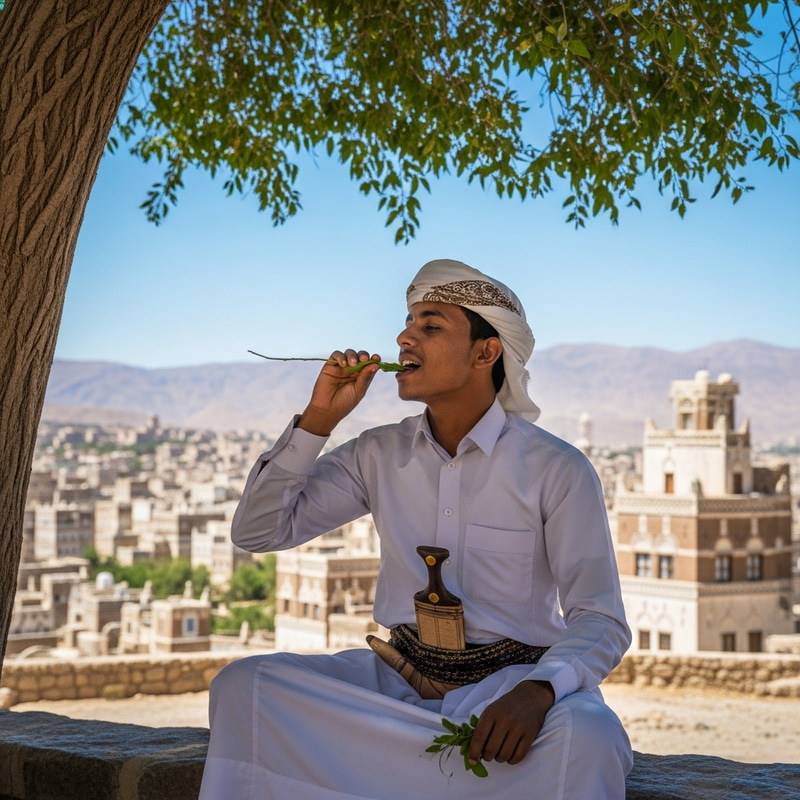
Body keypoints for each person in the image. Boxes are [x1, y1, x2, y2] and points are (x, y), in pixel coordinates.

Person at [198, 259, 633, 799]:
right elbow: (258, 533)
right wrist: (318, 420)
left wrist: (539, 691)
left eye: (430, 325)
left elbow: (600, 618)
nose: (404, 338)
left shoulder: (556, 469)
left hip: (507, 697)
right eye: (407, 323)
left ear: (485, 352)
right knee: (245, 686)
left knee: (589, 736)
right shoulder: (378, 453)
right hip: (395, 682)